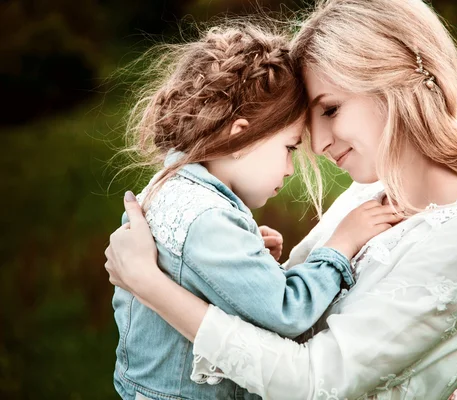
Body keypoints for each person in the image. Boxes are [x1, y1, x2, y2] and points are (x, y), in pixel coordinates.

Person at [105, 0, 457, 398]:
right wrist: (242, 269)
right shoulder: (365, 196)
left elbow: (311, 383)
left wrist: (149, 285)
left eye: (331, 109)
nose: (318, 144)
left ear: (393, 80)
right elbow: (280, 324)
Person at [110, 24, 401, 400]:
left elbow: (192, 280)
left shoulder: (170, 189)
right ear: (239, 136)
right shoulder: (209, 220)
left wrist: (248, 261)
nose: (290, 169)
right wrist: (341, 244)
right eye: (290, 148)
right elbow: (286, 312)